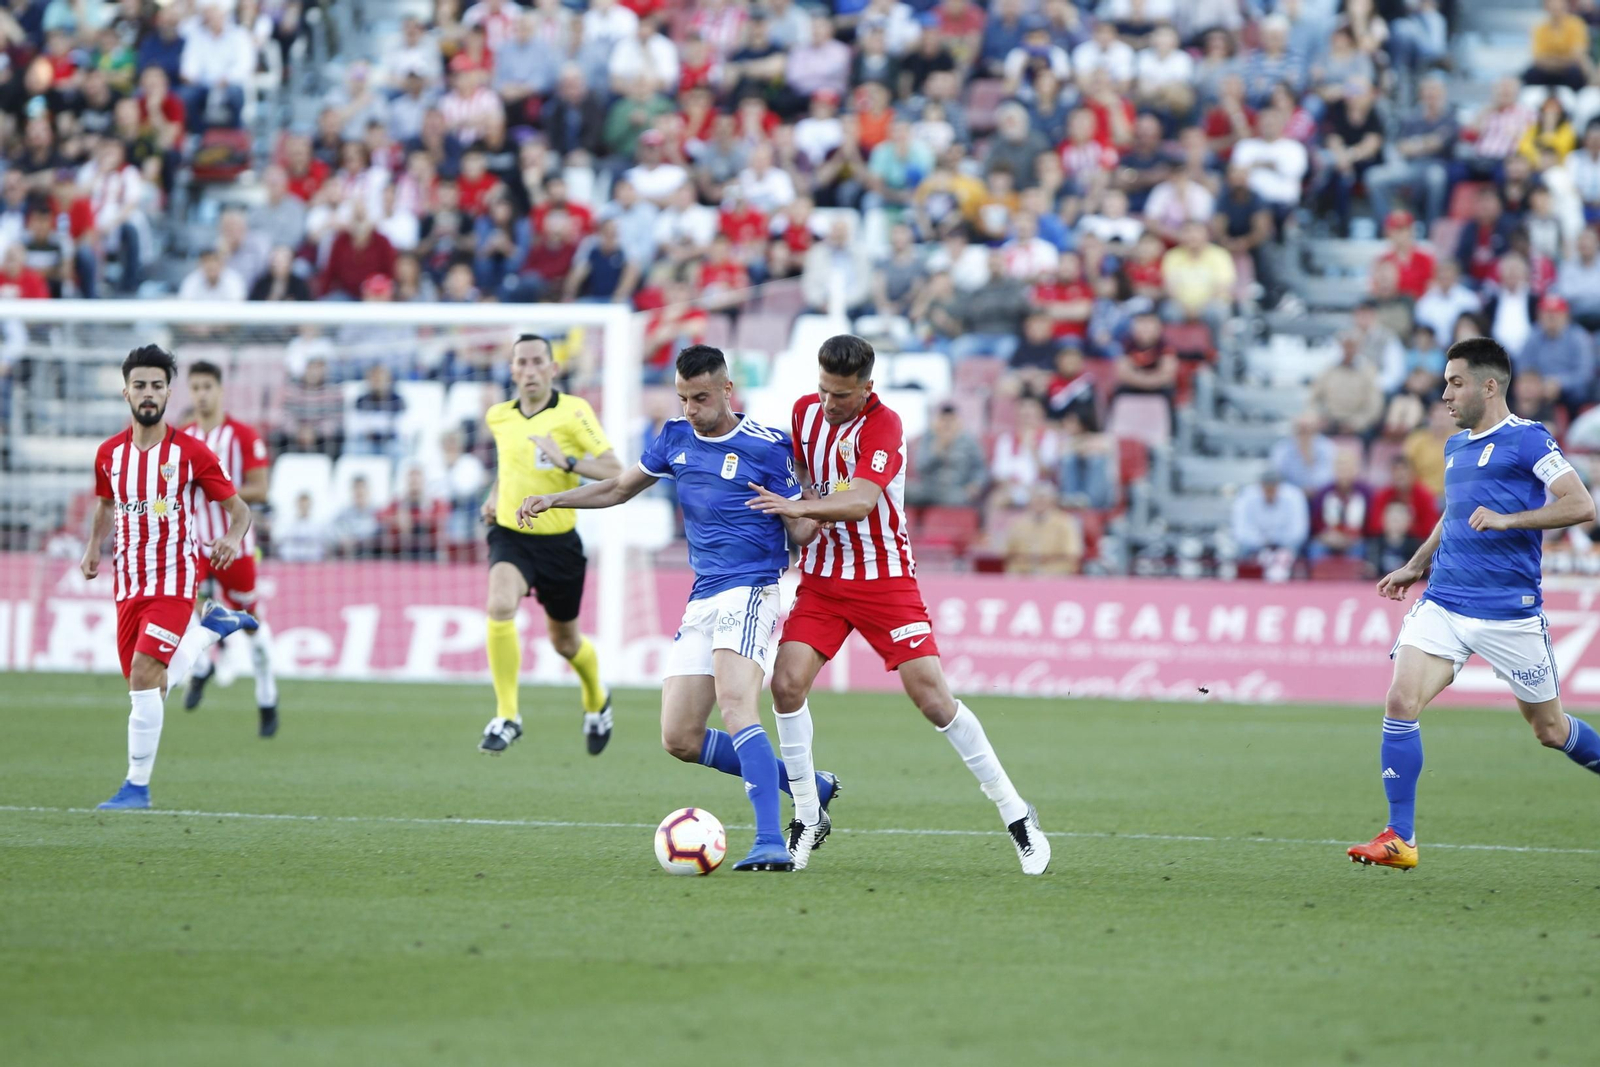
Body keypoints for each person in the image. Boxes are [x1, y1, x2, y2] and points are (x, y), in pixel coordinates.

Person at [515, 345, 841, 872]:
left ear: (727, 391)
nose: (691, 408)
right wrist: (558, 498)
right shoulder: (674, 437)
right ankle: (810, 784)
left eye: (702, 398)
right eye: (683, 398)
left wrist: (810, 507)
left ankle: (771, 841)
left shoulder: (769, 447)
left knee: (737, 708)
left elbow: (801, 529)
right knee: (680, 737)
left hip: (753, 588)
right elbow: (621, 488)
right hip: (704, 594)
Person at [746, 335, 1051, 875]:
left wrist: (799, 506)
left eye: (840, 395)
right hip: (822, 581)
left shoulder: (885, 426)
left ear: (867, 388)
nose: (827, 403)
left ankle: (1016, 812)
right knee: (785, 683)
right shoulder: (803, 413)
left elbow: (862, 500)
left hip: (885, 580)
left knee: (932, 699)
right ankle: (808, 816)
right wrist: (792, 518)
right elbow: (800, 492)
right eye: (822, 390)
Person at [1348, 337, 1599, 870]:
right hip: (1445, 602)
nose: (1445, 394)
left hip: (1510, 613)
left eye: (1455, 382)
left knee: (1550, 731)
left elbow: (1581, 504)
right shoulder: (1455, 446)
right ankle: (1401, 838)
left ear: (1489, 385)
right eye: (1445, 383)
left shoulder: (1528, 440)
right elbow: (1455, 513)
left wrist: (1510, 519)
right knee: (1400, 703)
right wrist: (1418, 564)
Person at [82, 345, 259, 811]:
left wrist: (234, 538)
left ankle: (136, 788)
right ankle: (208, 632)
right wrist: (91, 549)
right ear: (126, 392)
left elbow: (239, 510)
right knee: (150, 688)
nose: (148, 394)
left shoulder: (190, 452)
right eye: (140, 385)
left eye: (157, 386)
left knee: (144, 674)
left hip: (175, 578)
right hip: (128, 582)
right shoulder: (108, 455)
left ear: (167, 392)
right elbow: (104, 504)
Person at [478, 336, 622, 757]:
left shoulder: (574, 411)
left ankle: (596, 697)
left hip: (559, 542)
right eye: (521, 362)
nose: (529, 369)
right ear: (512, 370)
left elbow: (615, 471)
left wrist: (569, 463)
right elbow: (510, 467)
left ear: (552, 368)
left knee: (565, 643)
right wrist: (494, 494)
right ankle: (507, 716)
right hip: (510, 534)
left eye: (538, 361)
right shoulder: (499, 416)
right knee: (500, 604)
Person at [177, 362, 280, 738]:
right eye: (196, 387)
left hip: (235, 546)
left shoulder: (242, 435)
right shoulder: (182, 438)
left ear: (220, 390)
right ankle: (203, 668)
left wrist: (216, 487)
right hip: (195, 546)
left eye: (207, 386)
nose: (201, 394)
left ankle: (267, 694)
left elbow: (262, 488)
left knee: (251, 622)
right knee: (193, 610)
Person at [1004, 483, 1083, 575]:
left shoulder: (1066, 523)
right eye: (1036, 498)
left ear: (1052, 501)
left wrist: (1044, 562)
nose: (1039, 501)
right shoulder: (1018, 524)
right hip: (1023, 573)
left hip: (1055, 574)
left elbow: (1072, 556)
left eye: (1043, 498)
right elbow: (1008, 555)